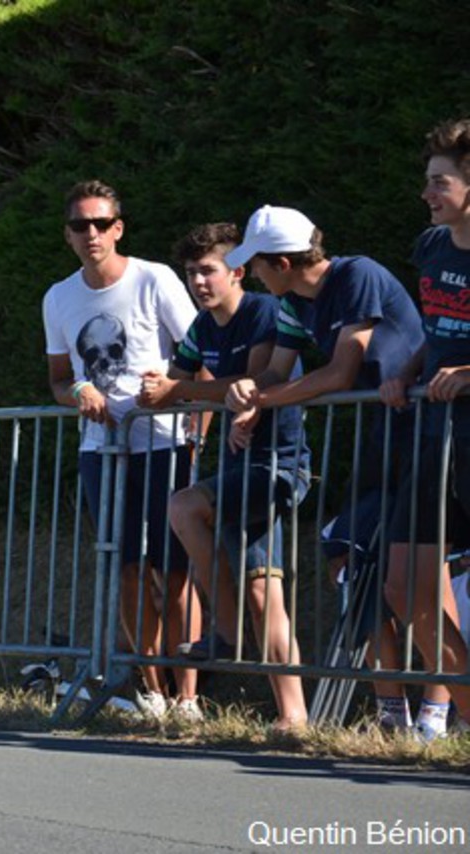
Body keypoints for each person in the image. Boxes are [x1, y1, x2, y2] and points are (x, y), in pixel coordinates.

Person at [222, 204, 437, 735]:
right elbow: (276, 370)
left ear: (282, 262)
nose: (252, 274)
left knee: (426, 576)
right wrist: (249, 392)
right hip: (378, 435)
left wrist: (264, 400)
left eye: (257, 263)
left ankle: (439, 712)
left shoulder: (357, 274)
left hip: (425, 433)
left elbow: (340, 374)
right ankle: (392, 715)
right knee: (348, 554)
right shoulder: (292, 301)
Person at [139, 222, 311, 730]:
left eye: (208, 270)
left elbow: (251, 382)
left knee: (184, 506)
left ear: (236, 271)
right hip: (237, 468)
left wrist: (177, 391)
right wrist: (158, 389)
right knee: (263, 592)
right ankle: (293, 715)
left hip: (277, 464)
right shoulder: (202, 327)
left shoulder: (263, 311)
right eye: (191, 273)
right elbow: (177, 380)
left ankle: (227, 632)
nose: (199, 282)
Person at [43, 179, 201, 721]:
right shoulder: (58, 297)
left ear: (118, 229)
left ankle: (188, 695)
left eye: (101, 223)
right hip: (101, 450)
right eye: (80, 225)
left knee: (174, 571)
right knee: (127, 570)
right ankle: (152, 688)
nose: (91, 234)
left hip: (164, 441)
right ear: (68, 234)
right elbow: (58, 379)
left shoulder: (154, 278)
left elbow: (200, 353)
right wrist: (79, 391)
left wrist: (178, 396)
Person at [379, 118, 470, 740]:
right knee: (405, 589)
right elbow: (435, 330)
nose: (427, 193)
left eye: (441, 182)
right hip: (435, 436)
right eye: (428, 180)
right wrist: (407, 371)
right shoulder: (431, 247)